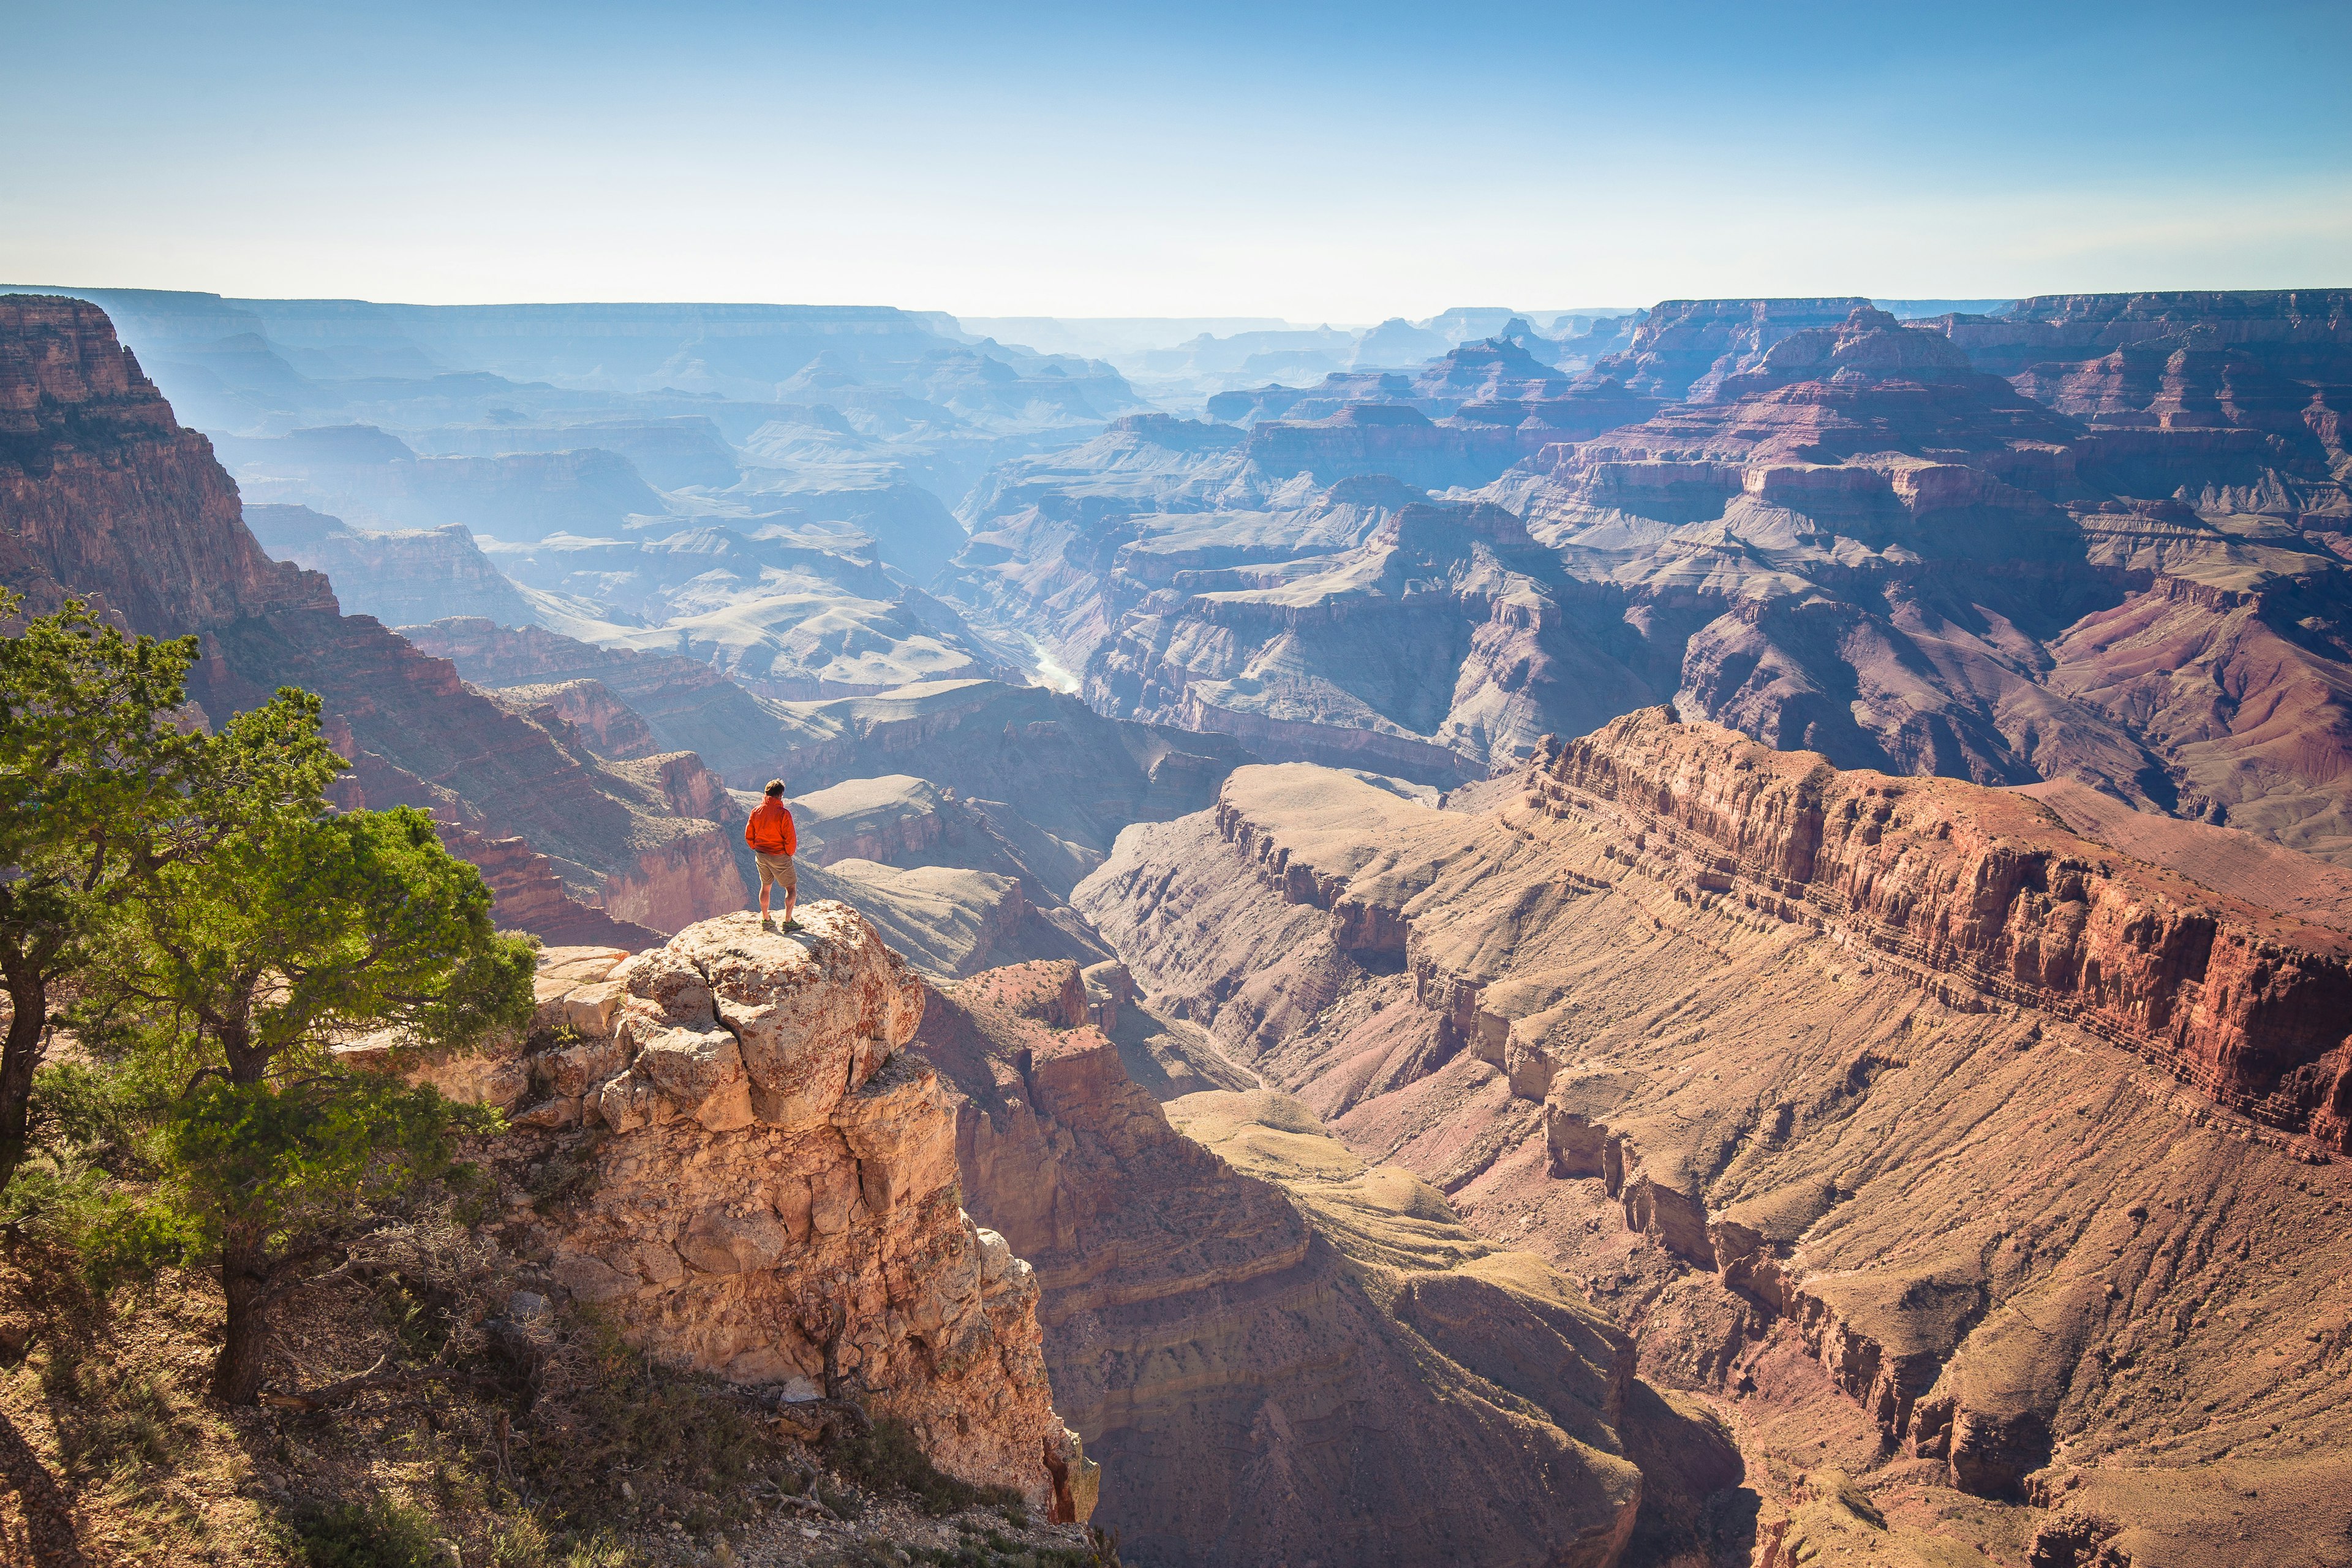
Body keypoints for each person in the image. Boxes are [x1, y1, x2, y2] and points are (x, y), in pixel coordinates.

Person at [745, 778, 799, 927]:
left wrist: (756, 847)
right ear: (780, 795)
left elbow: (749, 834)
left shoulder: (756, 811)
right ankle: (788, 921)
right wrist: (788, 854)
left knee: (766, 886)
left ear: (766, 793)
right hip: (779, 855)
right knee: (791, 888)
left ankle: (766, 919)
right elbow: (790, 839)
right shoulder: (783, 814)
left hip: (761, 855)